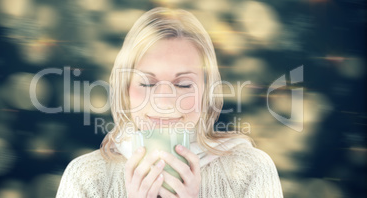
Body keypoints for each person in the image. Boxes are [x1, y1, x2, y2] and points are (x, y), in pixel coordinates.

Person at [56, 7, 283, 198]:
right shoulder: (86, 178)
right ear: (124, 90)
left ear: (208, 92)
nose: (163, 102)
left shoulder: (251, 171)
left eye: (183, 84)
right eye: (146, 84)